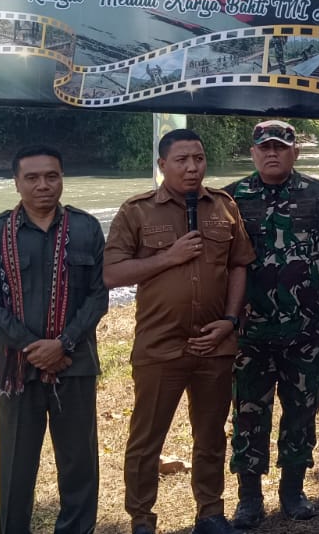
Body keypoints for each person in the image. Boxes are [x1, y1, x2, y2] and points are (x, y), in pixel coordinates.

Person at [106, 129, 255, 534]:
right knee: (146, 440)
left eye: (199, 158)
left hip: (215, 343)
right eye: (182, 160)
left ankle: (210, 512)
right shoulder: (136, 211)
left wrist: (229, 320)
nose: (192, 167)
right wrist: (167, 257)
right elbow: (112, 273)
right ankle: (141, 518)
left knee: (210, 436)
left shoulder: (224, 206)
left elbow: (240, 263)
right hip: (160, 346)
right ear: (162, 165)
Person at [0, 146, 108, 534]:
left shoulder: (86, 228)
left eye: (52, 176)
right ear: (16, 183)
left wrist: (63, 344)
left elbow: (98, 296)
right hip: (17, 368)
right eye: (32, 178)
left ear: (62, 178)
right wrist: (35, 348)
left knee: (79, 462)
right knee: (16, 462)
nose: (43, 185)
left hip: (75, 363)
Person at [224, 121, 319, 528]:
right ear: (253, 152)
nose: (272, 153)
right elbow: (223, 258)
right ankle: (249, 497)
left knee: (301, 412)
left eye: (280, 146)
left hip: (305, 329)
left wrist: (301, 280)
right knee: (247, 412)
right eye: (264, 147)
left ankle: (293, 490)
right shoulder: (232, 198)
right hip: (251, 332)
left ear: (294, 152)